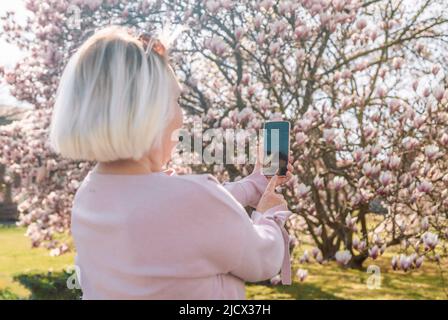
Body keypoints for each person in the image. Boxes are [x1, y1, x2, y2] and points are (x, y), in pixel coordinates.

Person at [48, 26, 294, 299]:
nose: (181, 117)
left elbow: (185, 212)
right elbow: (264, 259)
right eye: (176, 100)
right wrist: (271, 214)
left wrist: (252, 186)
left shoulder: (88, 195)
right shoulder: (191, 200)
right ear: (149, 113)